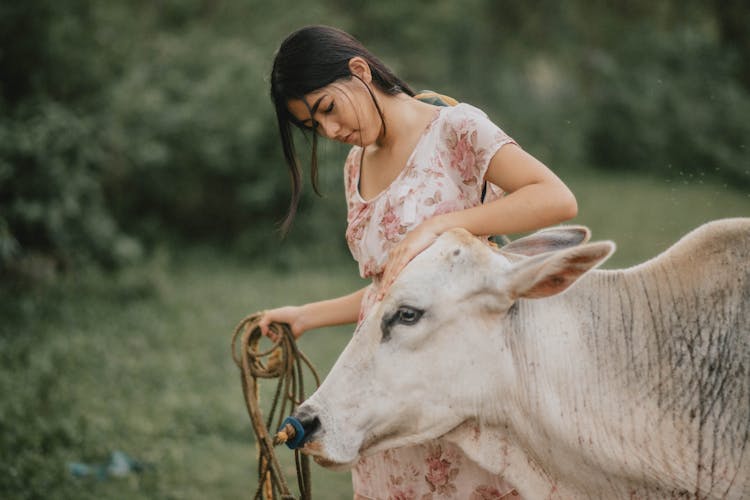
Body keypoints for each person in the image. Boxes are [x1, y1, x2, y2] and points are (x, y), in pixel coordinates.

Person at [260, 25, 578, 499]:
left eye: (327, 109)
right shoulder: (355, 166)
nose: (329, 131)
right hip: (387, 400)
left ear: (359, 70)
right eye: (314, 126)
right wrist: (306, 317)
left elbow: (556, 198)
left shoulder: (454, 130)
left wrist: (442, 228)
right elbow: (392, 293)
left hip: (456, 389)